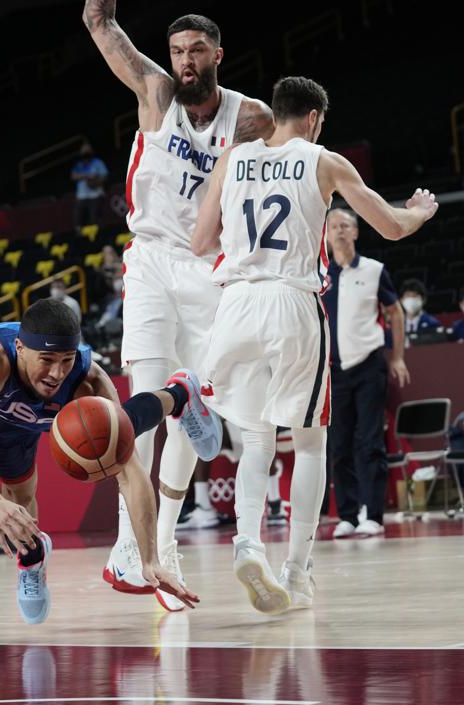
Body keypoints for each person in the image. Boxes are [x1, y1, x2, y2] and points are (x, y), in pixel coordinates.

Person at [191, 76, 438, 613]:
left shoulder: (232, 160)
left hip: (234, 305)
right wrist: (420, 211)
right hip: (291, 302)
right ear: (314, 119)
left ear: (275, 113)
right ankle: (297, 570)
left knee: (256, 440)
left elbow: (200, 242)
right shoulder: (323, 160)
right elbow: (392, 227)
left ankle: (247, 544)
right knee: (309, 443)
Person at [84, 3, 274, 610]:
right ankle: (129, 545)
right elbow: (101, 26)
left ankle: (162, 544)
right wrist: (100, 12)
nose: (185, 62)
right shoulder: (156, 92)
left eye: (197, 50)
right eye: (177, 51)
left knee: (192, 403)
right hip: (151, 258)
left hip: (212, 267)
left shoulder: (252, 117)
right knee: (144, 394)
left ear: (218, 53)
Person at [0, 298, 220, 624]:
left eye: (66, 359)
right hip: (7, 420)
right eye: (47, 359)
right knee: (16, 499)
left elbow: (131, 475)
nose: (57, 372)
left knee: (117, 434)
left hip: (68, 411)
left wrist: (150, 560)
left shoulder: (86, 379)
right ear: (20, 347)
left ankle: (180, 394)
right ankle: (33, 560)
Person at [323, 208, 409, 539]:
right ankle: (346, 514)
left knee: (370, 440)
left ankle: (373, 515)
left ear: (356, 233)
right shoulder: (320, 274)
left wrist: (397, 357)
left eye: (346, 226)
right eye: (333, 226)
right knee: (339, 445)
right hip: (335, 370)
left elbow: (395, 313)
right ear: (326, 235)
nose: (340, 231)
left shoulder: (374, 270)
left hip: (370, 364)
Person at [71, 141, 109, 227]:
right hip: (81, 196)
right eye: (84, 150)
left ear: (91, 151)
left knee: (94, 218)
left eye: (87, 150)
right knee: (78, 217)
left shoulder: (98, 163)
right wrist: (87, 176)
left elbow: (104, 176)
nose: (85, 152)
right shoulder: (78, 165)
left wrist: (95, 182)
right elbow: (73, 176)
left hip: (95, 195)